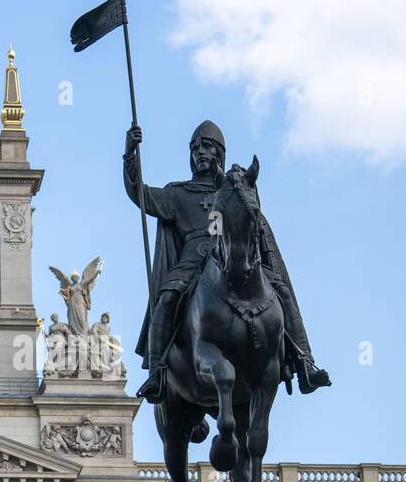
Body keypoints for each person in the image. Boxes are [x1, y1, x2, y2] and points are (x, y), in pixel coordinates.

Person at [123, 122, 330, 403]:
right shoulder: (178, 193)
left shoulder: (237, 189)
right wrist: (130, 155)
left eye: (206, 147)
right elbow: (141, 194)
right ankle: (158, 372)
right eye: (195, 149)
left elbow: (255, 227)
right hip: (193, 260)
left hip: (237, 254)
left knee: (279, 290)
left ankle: (304, 361)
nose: (199, 153)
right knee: (168, 296)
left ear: (219, 152)